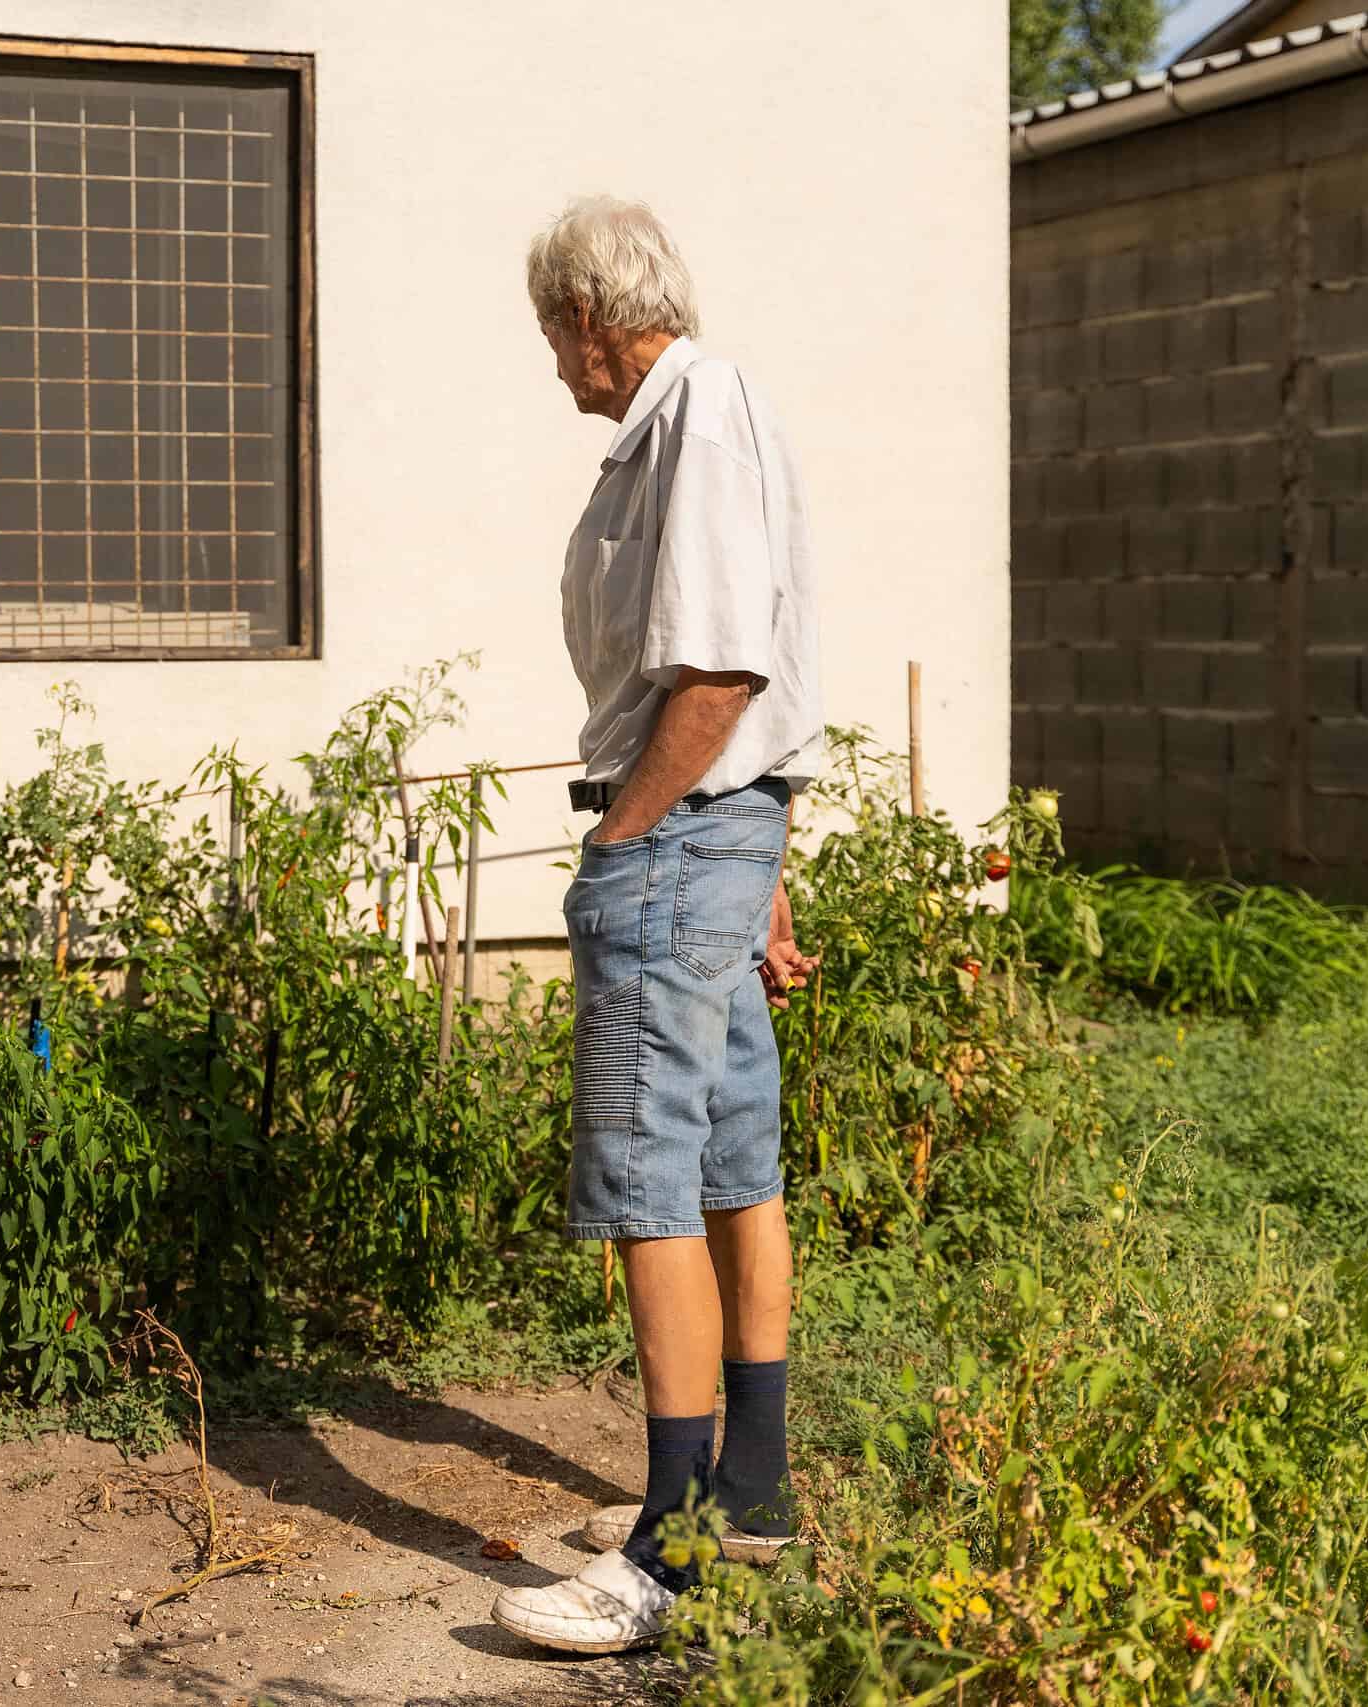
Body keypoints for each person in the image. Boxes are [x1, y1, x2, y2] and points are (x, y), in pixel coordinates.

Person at [490, 196, 824, 1656]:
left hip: (676, 835)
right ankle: (753, 1494)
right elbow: (758, 682)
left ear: (588, 317)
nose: (556, 368)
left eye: (553, 336)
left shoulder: (699, 415)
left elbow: (724, 670)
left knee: (647, 1178)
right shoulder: (695, 424)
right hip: (721, 837)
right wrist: (760, 866)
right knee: (734, 1154)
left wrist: (630, 833)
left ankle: (669, 1552)